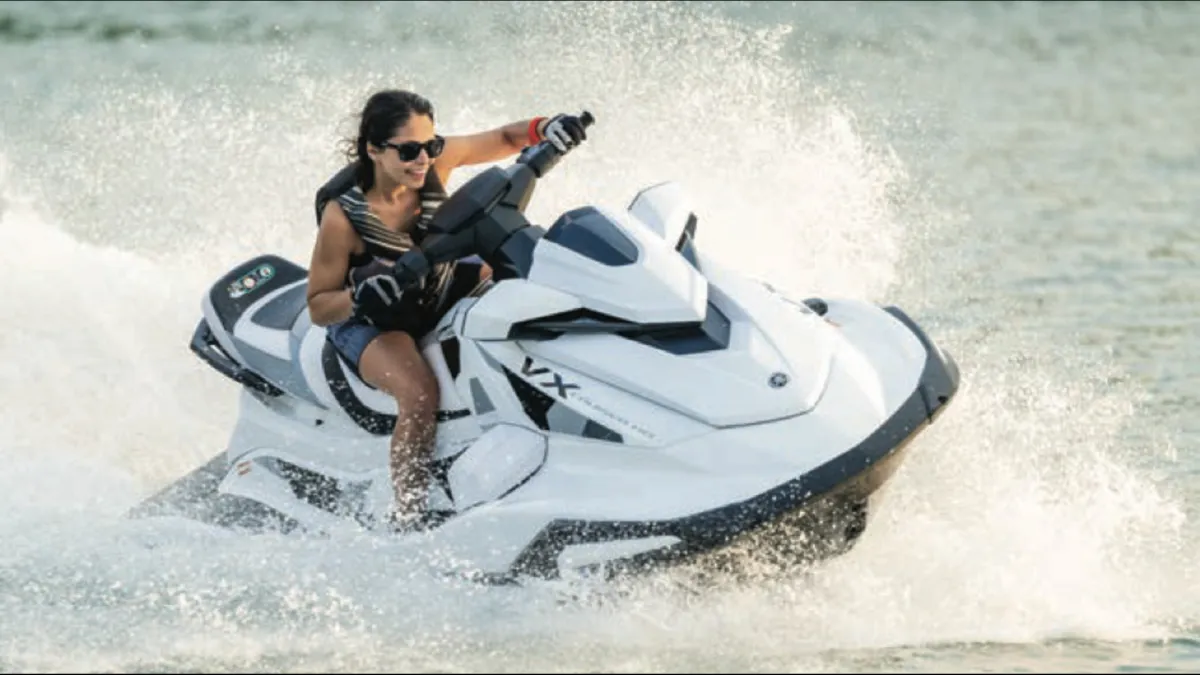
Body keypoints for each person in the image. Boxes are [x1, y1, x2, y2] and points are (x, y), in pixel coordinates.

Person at [305, 88, 588, 531]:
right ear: (374, 150)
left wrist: (546, 128)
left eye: (431, 145)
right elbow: (319, 304)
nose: (423, 159)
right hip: (375, 318)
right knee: (419, 394)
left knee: (534, 284)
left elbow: (505, 138)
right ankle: (408, 516)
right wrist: (359, 295)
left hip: (436, 285)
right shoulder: (343, 218)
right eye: (409, 150)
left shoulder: (436, 161)